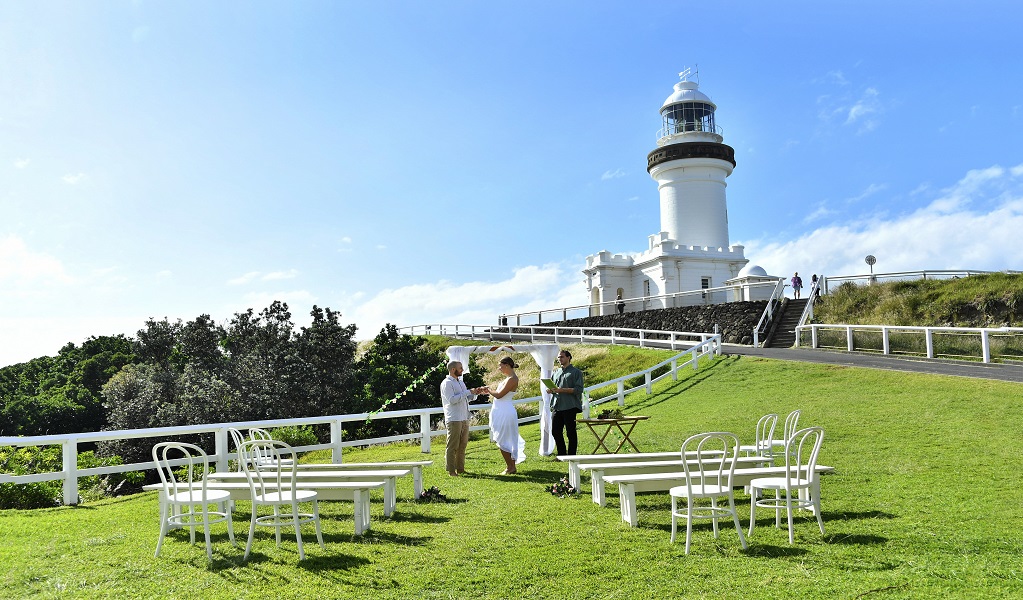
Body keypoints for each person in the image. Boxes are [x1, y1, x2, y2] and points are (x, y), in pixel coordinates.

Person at [440, 361, 486, 476]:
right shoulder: (446, 383)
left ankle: (460, 468)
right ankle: (451, 470)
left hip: (464, 417)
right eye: (460, 368)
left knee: (463, 444)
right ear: (453, 370)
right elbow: (452, 400)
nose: (462, 370)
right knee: (452, 445)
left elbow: (466, 398)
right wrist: (467, 392)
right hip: (454, 418)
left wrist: (476, 393)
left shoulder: (461, 382)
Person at [487, 356, 526, 475]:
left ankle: (510, 466)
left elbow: (499, 395)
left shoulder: (512, 379)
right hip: (501, 410)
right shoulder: (508, 378)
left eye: (501, 366)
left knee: (504, 438)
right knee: (504, 438)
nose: (499, 368)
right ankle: (510, 466)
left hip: (505, 411)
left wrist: (488, 389)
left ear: (507, 365)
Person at [545, 350, 584, 456]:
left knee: (570, 432)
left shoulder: (576, 372)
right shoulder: (556, 372)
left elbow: (579, 389)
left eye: (562, 357)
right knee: (555, 431)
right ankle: (561, 454)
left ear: (568, 358)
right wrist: (550, 389)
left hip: (570, 406)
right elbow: (554, 387)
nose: (559, 359)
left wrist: (562, 390)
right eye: (558, 357)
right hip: (557, 405)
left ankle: (572, 455)